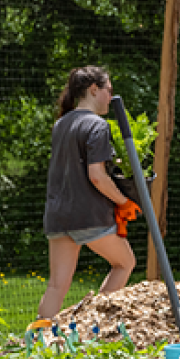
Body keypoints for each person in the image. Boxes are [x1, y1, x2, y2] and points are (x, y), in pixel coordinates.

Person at [38, 66, 138, 321]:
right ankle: (91, 328)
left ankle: (38, 345)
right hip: (88, 216)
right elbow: (97, 176)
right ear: (94, 90)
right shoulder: (97, 126)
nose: (110, 97)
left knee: (56, 286)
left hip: (57, 216)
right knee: (125, 263)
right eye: (109, 91)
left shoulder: (61, 124)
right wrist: (124, 202)